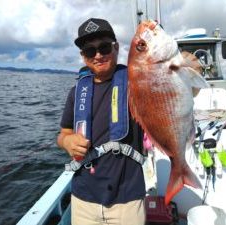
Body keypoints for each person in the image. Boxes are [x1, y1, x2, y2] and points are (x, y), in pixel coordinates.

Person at [57, 18, 146, 225]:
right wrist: (67, 142)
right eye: (90, 51)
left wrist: (185, 69)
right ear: (83, 56)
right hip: (83, 198)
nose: (98, 55)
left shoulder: (137, 83)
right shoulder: (76, 92)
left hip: (128, 199)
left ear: (116, 48)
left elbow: (168, 91)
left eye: (104, 47)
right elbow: (63, 134)